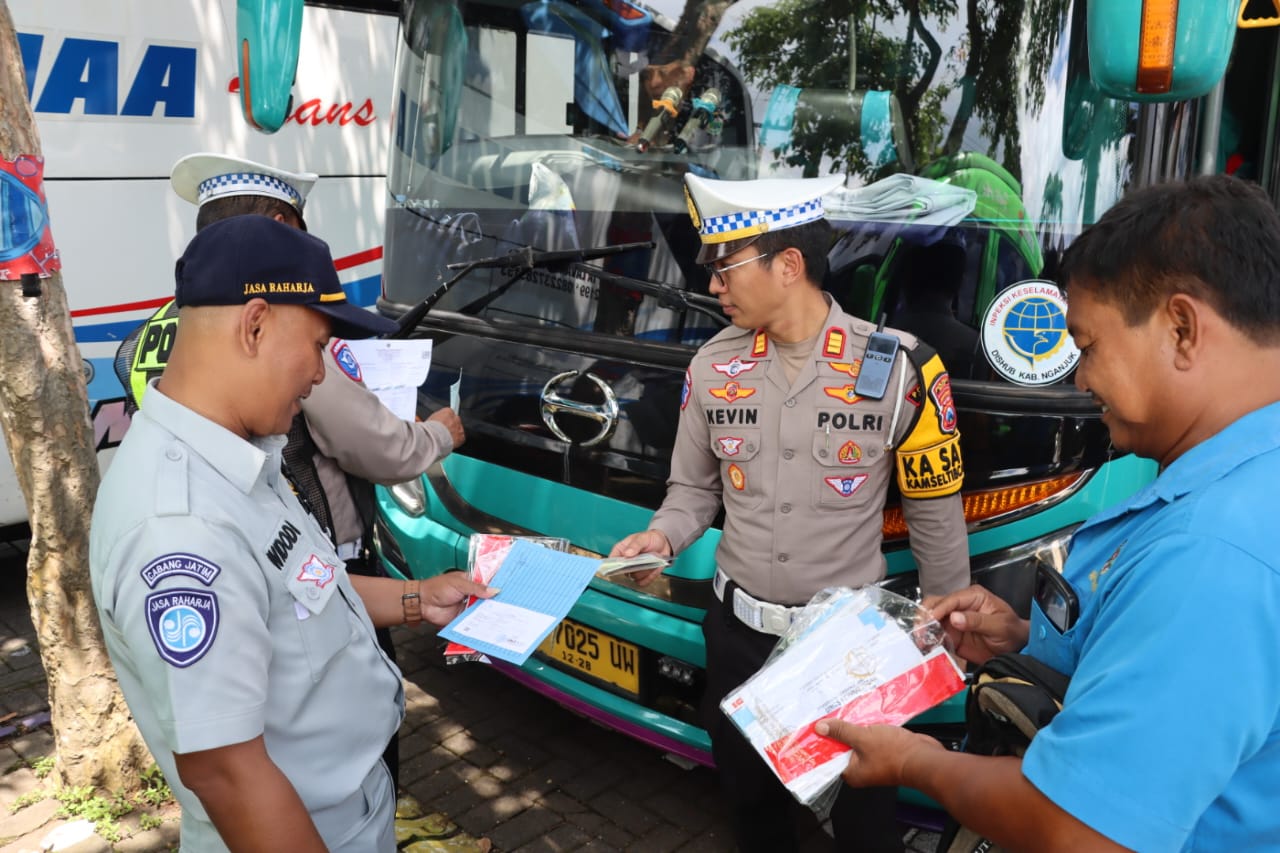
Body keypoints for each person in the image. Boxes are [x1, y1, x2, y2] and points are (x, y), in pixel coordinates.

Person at [816, 175, 1280, 852]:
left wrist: (914, 761)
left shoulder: (1212, 555)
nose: (1081, 380)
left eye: (1087, 348)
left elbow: (1080, 830)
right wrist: (1024, 640)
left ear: (1181, 329)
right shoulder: (1248, 485)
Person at [89, 215, 495, 852]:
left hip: (355, 809)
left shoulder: (239, 454)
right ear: (255, 325)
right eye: (318, 345)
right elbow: (226, 772)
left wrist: (418, 597)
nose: (319, 373)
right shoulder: (181, 526)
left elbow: (307, 587)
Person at [610, 173, 970, 851]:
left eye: (725, 267)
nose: (713, 284)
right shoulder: (712, 367)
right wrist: (660, 536)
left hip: (845, 649)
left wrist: (946, 628)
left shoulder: (903, 369)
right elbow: (693, 491)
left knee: (863, 828)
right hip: (737, 640)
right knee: (753, 815)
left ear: (789, 265)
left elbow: (934, 514)